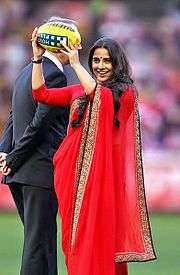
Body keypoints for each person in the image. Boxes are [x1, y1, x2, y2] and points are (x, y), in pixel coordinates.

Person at [31, 29, 156, 275]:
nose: (100, 66)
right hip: (70, 176)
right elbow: (40, 93)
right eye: (96, 60)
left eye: (106, 60)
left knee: (98, 236)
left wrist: (76, 63)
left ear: (117, 63)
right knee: (73, 238)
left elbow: (101, 98)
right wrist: (37, 57)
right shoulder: (78, 91)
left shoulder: (125, 94)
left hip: (102, 179)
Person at [0, 17, 81, 275]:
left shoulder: (28, 70)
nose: (77, 48)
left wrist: (5, 150)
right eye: (73, 42)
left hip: (21, 173)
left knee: (41, 243)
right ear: (61, 44)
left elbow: (13, 116)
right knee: (38, 246)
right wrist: (13, 157)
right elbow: (40, 124)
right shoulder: (54, 74)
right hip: (39, 172)